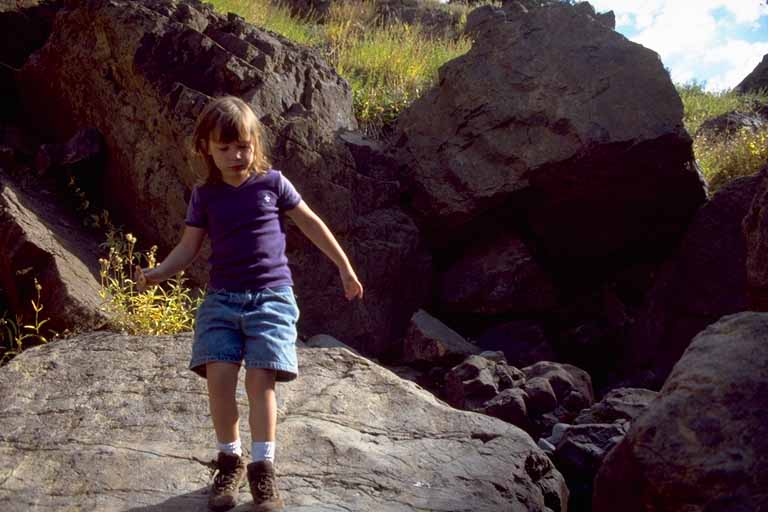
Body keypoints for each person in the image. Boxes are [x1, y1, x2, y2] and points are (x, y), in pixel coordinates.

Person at [134, 96, 364, 512]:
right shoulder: (205, 195)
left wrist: (344, 267)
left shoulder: (273, 183)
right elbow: (188, 248)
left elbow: (311, 223)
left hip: (271, 299)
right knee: (219, 379)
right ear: (205, 148)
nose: (237, 155)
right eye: (225, 148)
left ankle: (263, 469)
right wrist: (157, 274)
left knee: (261, 383)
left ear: (255, 143)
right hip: (222, 301)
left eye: (244, 145)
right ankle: (229, 459)